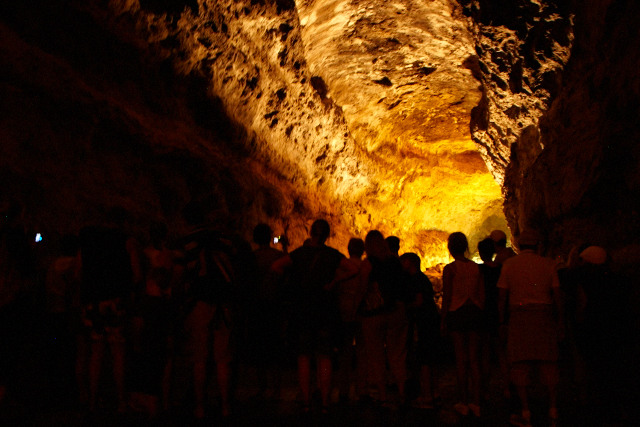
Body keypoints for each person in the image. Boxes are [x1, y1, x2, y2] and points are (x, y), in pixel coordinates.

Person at [271, 219, 344, 413]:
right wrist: (335, 281)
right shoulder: (332, 255)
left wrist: (292, 283)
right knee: (325, 357)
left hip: (303, 310)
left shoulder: (300, 254)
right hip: (325, 310)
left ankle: (305, 400)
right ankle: (325, 401)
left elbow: (276, 266)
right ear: (327, 235)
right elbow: (354, 269)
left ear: (311, 232)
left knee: (304, 357)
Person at [175, 201, 236, 419]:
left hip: (199, 304)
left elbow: (180, 274)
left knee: (199, 359)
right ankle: (226, 406)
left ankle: (199, 407)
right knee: (223, 359)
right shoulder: (225, 240)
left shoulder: (187, 242)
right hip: (224, 305)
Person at [497, 230, 563, 427]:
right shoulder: (549, 264)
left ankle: (525, 410)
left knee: (520, 364)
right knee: (548, 362)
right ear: (538, 246)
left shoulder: (509, 265)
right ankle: (553, 408)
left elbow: (502, 297)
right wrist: (560, 320)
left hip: (519, 316)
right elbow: (557, 295)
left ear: (519, 245)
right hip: (544, 316)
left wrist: (502, 321)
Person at [78, 207, 142, 413]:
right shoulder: (127, 241)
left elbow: (78, 271)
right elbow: (137, 274)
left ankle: (93, 399)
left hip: (92, 302)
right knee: (118, 353)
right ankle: (122, 401)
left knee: (95, 353)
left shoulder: (87, 240)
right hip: (115, 302)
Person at [359, 230, 409, 407]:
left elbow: (363, 288)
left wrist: (357, 306)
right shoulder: (395, 262)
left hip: (374, 314)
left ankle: (382, 395)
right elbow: (402, 286)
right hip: (395, 312)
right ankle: (402, 392)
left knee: (376, 355)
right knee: (398, 354)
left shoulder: (368, 264)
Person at [440, 232, 484, 417]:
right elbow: (482, 294)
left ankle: (463, 401)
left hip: (457, 313)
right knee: (474, 359)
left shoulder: (450, 269)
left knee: (460, 358)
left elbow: (448, 295)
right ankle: (477, 402)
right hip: (473, 312)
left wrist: (442, 320)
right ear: (465, 246)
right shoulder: (476, 268)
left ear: (450, 248)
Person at [247, 223, 286, 400]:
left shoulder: (251, 258)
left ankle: (261, 388)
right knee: (275, 350)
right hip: (274, 306)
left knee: (259, 350)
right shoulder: (277, 256)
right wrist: (285, 246)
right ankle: (276, 389)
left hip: (256, 307)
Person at [326, 237, 366, 402]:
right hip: (362, 311)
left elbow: (335, 289)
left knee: (345, 352)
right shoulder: (365, 266)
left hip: (344, 310)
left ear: (349, 249)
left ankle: (343, 389)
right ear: (363, 250)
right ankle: (362, 389)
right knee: (363, 352)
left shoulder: (341, 267)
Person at [401, 252, 441, 409]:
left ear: (410, 263)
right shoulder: (422, 278)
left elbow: (418, 301)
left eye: (403, 261)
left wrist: (404, 307)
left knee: (424, 360)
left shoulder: (416, 279)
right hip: (431, 320)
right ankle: (435, 392)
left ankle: (426, 397)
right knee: (431, 360)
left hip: (424, 322)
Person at [477, 237, 509, 399]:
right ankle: (507, 386)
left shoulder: (479, 271)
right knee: (501, 350)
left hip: (484, 312)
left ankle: (485, 389)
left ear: (481, 253)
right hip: (498, 311)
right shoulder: (502, 269)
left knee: (485, 351)